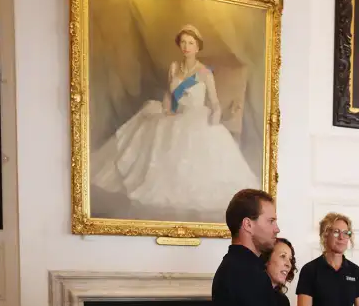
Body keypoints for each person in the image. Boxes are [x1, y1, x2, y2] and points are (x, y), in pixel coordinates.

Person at [91, 25, 259, 218]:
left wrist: (216, 114)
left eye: (191, 43)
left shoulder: (204, 73)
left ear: (197, 47)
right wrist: (165, 110)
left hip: (196, 116)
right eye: (183, 42)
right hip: (175, 114)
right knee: (150, 126)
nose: (187, 47)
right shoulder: (173, 68)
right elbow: (169, 96)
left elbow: (214, 101)